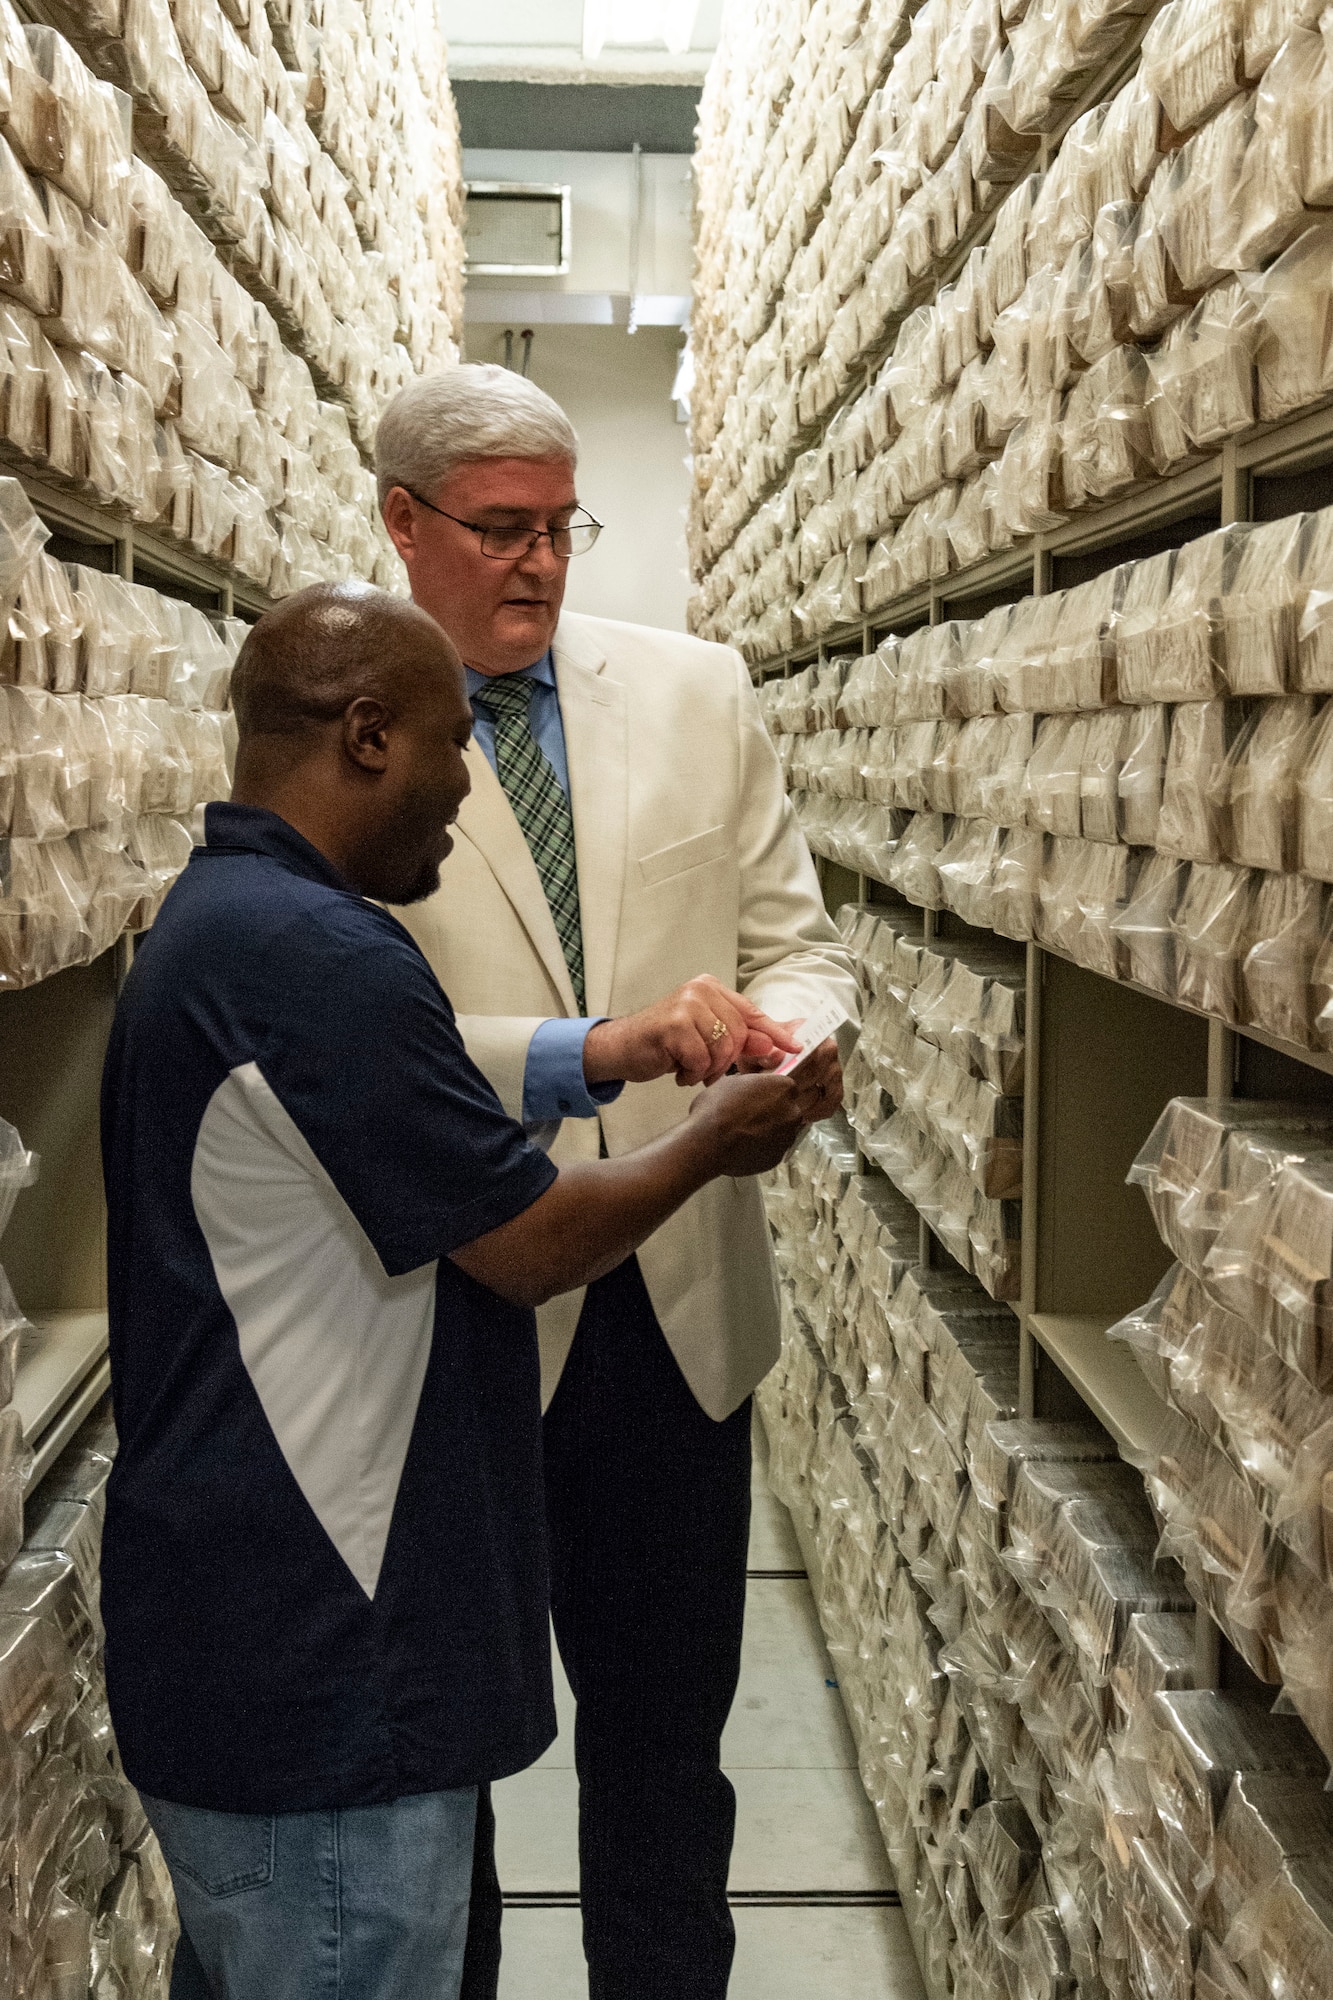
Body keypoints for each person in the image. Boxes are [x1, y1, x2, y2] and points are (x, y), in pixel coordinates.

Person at [99, 583, 831, 2000]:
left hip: (257, 1647)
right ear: (368, 736)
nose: (466, 780)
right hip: (323, 1668)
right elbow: (535, 1241)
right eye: (452, 745)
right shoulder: (312, 956)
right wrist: (714, 1143)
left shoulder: (229, 920)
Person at [376, 365, 859, 1999]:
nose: (537, 565)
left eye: (561, 529)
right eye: (498, 531)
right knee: (448, 1781)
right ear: (402, 524)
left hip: (673, 1321)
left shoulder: (697, 689)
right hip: (459, 1310)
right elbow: (357, 1029)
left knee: (665, 1760)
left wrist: (792, 1042)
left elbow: (790, 942)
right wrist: (608, 1044)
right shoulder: (342, 719)